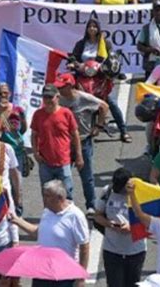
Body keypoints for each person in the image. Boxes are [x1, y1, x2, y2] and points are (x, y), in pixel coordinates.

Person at [11, 180, 89, 287]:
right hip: (42, 272)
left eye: (48, 196)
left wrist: (81, 277)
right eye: (44, 195)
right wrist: (18, 221)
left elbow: (84, 246)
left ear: (60, 198)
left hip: (64, 275)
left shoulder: (75, 216)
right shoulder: (47, 212)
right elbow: (39, 233)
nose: (44, 199)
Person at [55, 72, 108, 217]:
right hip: (64, 143)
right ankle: (66, 204)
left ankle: (91, 206)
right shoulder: (58, 100)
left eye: (62, 87)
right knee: (64, 176)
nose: (59, 90)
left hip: (84, 141)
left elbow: (103, 106)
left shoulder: (84, 98)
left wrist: (98, 126)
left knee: (87, 175)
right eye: (58, 87)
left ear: (70, 86)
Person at [70, 19, 131, 141]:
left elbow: (112, 59)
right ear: (86, 29)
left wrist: (109, 69)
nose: (92, 29)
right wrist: (75, 64)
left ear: (98, 29)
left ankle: (124, 131)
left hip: (101, 79)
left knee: (111, 103)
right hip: (83, 77)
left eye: (94, 27)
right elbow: (73, 58)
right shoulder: (80, 44)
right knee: (72, 100)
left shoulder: (105, 44)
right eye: (90, 27)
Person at [94, 167, 147, 287]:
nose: (119, 192)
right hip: (112, 251)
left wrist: (131, 227)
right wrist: (110, 224)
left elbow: (150, 222)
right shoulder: (107, 191)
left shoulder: (141, 194)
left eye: (122, 189)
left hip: (135, 252)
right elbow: (97, 216)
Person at [31, 84, 83, 201]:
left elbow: (75, 135)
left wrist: (79, 156)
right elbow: (34, 135)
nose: (48, 100)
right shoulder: (38, 115)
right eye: (45, 97)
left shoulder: (66, 113)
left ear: (57, 97)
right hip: (45, 162)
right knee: (47, 194)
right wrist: (35, 153)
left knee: (67, 193)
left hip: (63, 161)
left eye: (50, 97)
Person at [0, 83, 28, 172]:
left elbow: (23, 129)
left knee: (16, 181)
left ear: (10, 94)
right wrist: (1, 112)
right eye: (0, 93)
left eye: (5, 93)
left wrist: (17, 136)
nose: (3, 95)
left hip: (16, 150)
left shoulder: (18, 110)